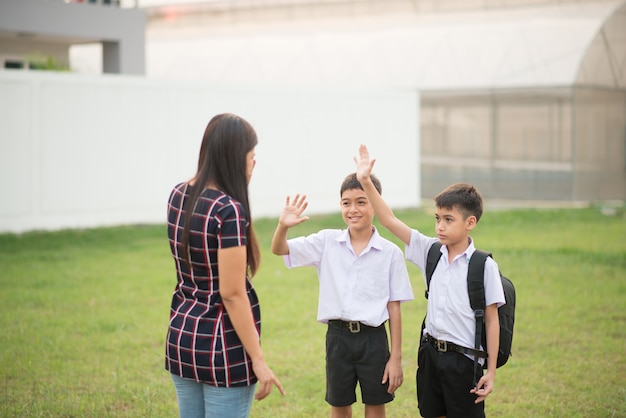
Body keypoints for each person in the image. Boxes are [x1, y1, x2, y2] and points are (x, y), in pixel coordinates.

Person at [354, 144, 505, 418]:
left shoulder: (484, 266)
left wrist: (491, 371)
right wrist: (365, 180)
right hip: (431, 356)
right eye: (437, 219)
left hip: (465, 361)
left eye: (448, 220)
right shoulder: (430, 251)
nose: (440, 227)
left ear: (470, 222)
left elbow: (493, 319)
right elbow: (388, 220)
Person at [165, 113, 285, 418]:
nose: (254, 164)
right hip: (222, 347)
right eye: (251, 156)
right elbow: (231, 293)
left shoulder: (178, 195)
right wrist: (258, 359)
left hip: (182, 336)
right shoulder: (227, 210)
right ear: (234, 157)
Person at [271, 173, 414, 418]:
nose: (353, 209)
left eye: (361, 201)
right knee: (339, 405)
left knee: (375, 405)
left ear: (375, 203)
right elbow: (279, 249)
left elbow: (394, 308)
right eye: (346, 203)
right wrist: (283, 225)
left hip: (374, 341)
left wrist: (396, 358)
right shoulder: (326, 241)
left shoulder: (390, 253)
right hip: (338, 338)